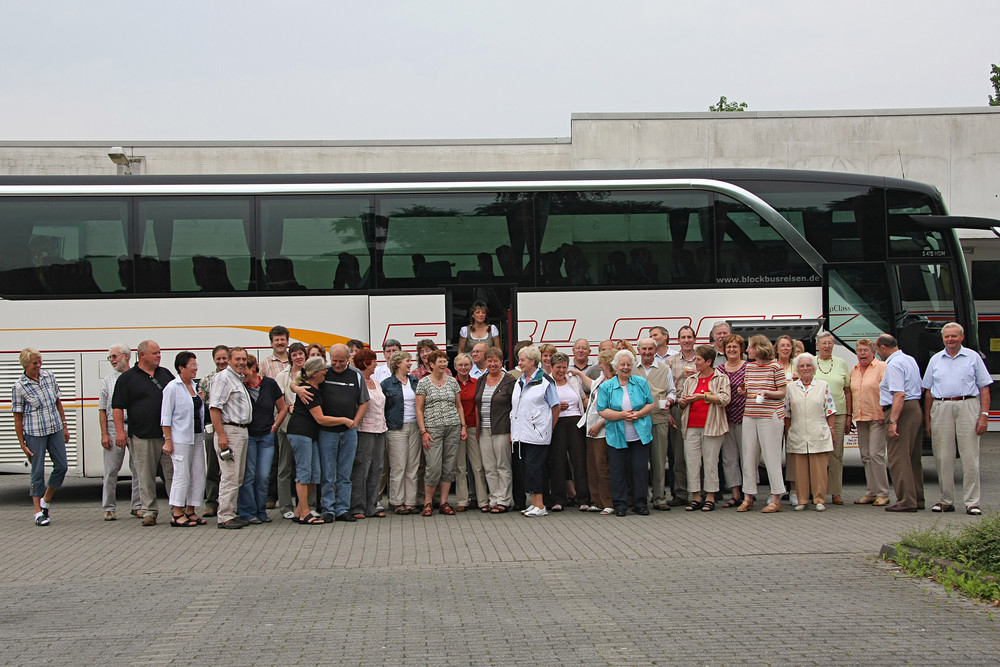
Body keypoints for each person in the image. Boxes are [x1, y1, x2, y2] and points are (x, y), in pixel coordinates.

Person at [921, 322, 992, 516]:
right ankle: (946, 501)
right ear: (943, 339)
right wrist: (928, 420)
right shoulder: (936, 359)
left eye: (954, 336)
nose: (950, 339)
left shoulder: (973, 357)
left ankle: (972, 502)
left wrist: (984, 416)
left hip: (967, 405)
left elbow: (984, 388)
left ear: (961, 337)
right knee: (943, 457)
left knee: (970, 457)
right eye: (947, 336)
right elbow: (927, 392)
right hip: (941, 406)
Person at [303, 343, 369, 522]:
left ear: (349, 359)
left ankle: (342, 508)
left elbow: (364, 402)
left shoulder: (356, 375)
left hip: (349, 432)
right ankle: (328, 508)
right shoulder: (324, 373)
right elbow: (302, 382)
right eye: (334, 361)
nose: (337, 364)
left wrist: (356, 421)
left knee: (345, 474)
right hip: (327, 432)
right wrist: (296, 389)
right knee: (328, 473)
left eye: (341, 361)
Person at [112, 340, 175, 526]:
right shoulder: (128, 378)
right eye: (155, 352)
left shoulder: (165, 374)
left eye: (159, 352)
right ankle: (149, 511)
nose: (158, 355)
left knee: (172, 473)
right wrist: (119, 432)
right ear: (142, 355)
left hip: (167, 435)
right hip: (142, 435)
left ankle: (177, 509)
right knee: (145, 475)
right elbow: (117, 407)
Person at [12, 348, 70, 526]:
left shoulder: (49, 376)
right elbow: (18, 417)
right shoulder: (20, 387)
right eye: (35, 363)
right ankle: (38, 512)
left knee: (61, 466)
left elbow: (57, 402)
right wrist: (22, 443)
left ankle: (46, 500)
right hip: (34, 433)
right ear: (26, 365)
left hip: (54, 429)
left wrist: (64, 425)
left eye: (40, 362)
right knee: (37, 471)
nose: (39, 366)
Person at [598, 349, 654, 517]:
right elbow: (602, 409)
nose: (625, 367)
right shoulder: (606, 386)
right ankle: (621, 504)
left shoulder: (641, 382)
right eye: (622, 364)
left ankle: (640, 504)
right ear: (616, 366)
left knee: (640, 470)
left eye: (628, 364)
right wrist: (621, 415)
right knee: (618, 471)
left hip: (639, 434)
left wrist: (639, 413)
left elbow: (650, 404)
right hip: (617, 434)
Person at [678, 345, 731, 512]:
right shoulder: (691, 380)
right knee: (692, 462)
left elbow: (725, 398)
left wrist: (703, 396)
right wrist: (684, 401)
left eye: (699, 360)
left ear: (709, 361)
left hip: (712, 426)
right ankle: (694, 496)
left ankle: (710, 496)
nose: (696, 362)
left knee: (710, 462)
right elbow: (681, 402)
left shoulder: (721, 378)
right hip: (691, 425)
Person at [738, 335, 787, 513]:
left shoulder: (776, 367)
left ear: (759, 348)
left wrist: (768, 392)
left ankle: (776, 497)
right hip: (750, 414)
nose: (747, 350)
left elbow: (782, 392)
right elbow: (749, 390)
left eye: (750, 347)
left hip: (770, 416)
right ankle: (748, 496)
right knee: (749, 455)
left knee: (771, 457)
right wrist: (743, 392)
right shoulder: (749, 367)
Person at [876, 334, 924, 513]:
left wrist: (893, 421)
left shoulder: (894, 364)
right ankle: (917, 498)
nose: (878, 354)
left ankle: (905, 500)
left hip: (901, 410)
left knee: (898, 457)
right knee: (913, 457)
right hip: (914, 408)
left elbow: (899, 394)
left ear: (882, 348)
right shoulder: (909, 359)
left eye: (878, 350)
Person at [511, 345, 560, 517]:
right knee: (527, 469)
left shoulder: (545, 381)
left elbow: (556, 407)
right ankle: (534, 503)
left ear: (532, 361)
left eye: (522, 360)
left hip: (538, 435)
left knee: (535, 468)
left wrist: (548, 428)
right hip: (522, 434)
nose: (520, 363)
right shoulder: (520, 381)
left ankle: (540, 505)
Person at [415, 350, 466, 516]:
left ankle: (444, 502)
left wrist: (463, 426)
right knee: (434, 466)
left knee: (449, 466)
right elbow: (419, 408)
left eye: (445, 361)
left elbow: (458, 406)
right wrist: (423, 431)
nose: (443, 364)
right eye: (440, 362)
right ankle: (428, 503)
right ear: (431, 364)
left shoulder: (452, 382)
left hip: (453, 426)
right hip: (432, 429)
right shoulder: (423, 383)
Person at [238, 354, 287, 524]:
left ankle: (261, 510)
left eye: (244, 369)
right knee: (249, 475)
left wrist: (275, 426)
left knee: (263, 475)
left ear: (253, 368)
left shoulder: (269, 384)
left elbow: (282, 408)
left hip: (266, 436)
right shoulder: (240, 387)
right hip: (248, 436)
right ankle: (247, 511)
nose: (241, 373)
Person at [160, 351, 207, 527]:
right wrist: (168, 440)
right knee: (181, 475)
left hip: (195, 436)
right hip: (180, 438)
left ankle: (190, 509)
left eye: (196, 365)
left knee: (197, 473)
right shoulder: (172, 388)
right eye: (192, 365)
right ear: (181, 368)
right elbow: (165, 416)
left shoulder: (194, 386)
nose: (195, 368)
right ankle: (177, 512)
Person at [784, 353, 836, 511]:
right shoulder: (791, 387)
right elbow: (787, 413)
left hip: (818, 432)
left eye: (808, 365)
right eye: (802, 366)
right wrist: (788, 433)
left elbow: (831, 410)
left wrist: (831, 429)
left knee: (819, 469)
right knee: (799, 470)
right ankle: (802, 499)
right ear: (797, 369)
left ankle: (819, 499)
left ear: (814, 368)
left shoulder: (823, 385)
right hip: (798, 432)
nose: (805, 368)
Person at [209, 346, 253, 529]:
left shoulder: (237, 379)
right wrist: (221, 435)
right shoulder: (224, 378)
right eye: (238, 359)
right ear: (229, 360)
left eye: (244, 359)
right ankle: (224, 516)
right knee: (229, 476)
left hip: (240, 431)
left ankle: (231, 512)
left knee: (238, 477)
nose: (242, 362)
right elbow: (215, 408)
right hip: (230, 431)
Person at [633, 337, 677, 511]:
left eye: (650, 348)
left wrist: (669, 400)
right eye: (644, 348)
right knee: (640, 462)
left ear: (655, 350)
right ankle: (642, 496)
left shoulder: (664, 368)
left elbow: (672, 391)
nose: (647, 352)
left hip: (659, 418)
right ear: (638, 350)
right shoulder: (632, 369)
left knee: (659, 460)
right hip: (637, 420)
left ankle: (659, 497)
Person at [99, 343, 141, 521]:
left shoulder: (137, 377)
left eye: (115, 356)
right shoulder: (108, 381)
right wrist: (104, 434)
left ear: (127, 356)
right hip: (112, 425)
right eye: (110, 357)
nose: (112, 360)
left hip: (134, 425)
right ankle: (109, 508)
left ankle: (137, 506)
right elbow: (102, 409)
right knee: (111, 470)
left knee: (138, 468)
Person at [284, 357, 327, 525]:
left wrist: (295, 387)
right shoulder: (307, 389)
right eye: (323, 369)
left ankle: (298, 510)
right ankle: (305, 512)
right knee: (304, 473)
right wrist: (345, 420)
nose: (326, 371)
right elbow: (321, 418)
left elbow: (294, 383)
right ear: (315, 373)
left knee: (314, 473)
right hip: (301, 432)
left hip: (311, 434)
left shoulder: (312, 386)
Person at [475, 346, 516, 513]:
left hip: (502, 429)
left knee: (503, 465)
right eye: (489, 361)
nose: (492, 364)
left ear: (501, 362)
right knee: (489, 466)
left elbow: (515, 407)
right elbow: (477, 405)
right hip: (484, 429)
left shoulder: (509, 381)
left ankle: (504, 500)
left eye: (495, 361)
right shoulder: (481, 380)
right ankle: (494, 498)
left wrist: (513, 431)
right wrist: (478, 429)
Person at [850, 338, 890, 507]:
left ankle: (883, 493)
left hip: (877, 416)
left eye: (866, 350)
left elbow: (888, 391)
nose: (862, 354)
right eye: (859, 350)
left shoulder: (882, 367)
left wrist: (883, 412)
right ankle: (871, 492)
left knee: (876, 455)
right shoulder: (855, 369)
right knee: (866, 456)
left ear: (873, 352)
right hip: (860, 418)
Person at [813, 331, 852, 505]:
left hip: (839, 413)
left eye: (830, 343)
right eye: (824, 343)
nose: (827, 346)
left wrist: (849, 415)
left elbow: (847, 390)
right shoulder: (810, 362)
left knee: (836, 454)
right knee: (817, 454)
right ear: (817, 345)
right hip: (815, 414)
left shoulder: (841, 363)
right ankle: (817, 491)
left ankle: (835, 492)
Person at [382, 350, 421, 514]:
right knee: (398, 465)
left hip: (414, 426)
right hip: (396, 428)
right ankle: (397, 502)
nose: (410, 363)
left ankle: (410, 501)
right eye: (407, 360)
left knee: (413, 465)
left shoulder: (415, 381)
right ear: (398, 364)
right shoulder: (386, 384)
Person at [350, 349, 387, 519]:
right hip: (365, 430)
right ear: (365, 363)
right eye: (373, 361)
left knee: (377, 467)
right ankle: (357, 506)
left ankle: (372, 505)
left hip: (380, 429)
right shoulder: (358, 383)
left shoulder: (375, 382)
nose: (376, 364)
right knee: (362, 468)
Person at [550, 352, 588, 511]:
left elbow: (583, 398)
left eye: (564, 367)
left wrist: (592, 408)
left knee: (579, 460)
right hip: (557, 423)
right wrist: (557, 405)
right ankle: (559, 499)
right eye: (558, 367)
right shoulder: (546, 382)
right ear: (551, 367)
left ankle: (584, 499)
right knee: (557, 461)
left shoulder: (573, 380)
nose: (561, 371)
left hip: (576, 422)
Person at [579, 349, 616, 514]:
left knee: (602, 466)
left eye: (602, 362)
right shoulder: (601, 379)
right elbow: (591, 384)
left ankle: (608, 502)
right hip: (591, 427)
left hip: (603, 429)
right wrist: (577, 374)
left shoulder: (615, 382)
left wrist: (599, 425)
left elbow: (615, 408)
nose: (600, 365)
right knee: (592, 465)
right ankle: (596, 500)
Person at [274, 342, 307, 519]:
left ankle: (307, 505)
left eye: (300, 353)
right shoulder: (282, 376)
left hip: (307, 428)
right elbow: (278, 401)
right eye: (294, 354)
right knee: (284, 468)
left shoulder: (310, 374)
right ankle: (286, 506)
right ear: (290, 357)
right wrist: (287, 407)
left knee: (306, 468)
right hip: (286, 427)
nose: (298, 357)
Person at [665, 326, 698, 506]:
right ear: (678, 340)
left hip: (698, 407)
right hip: (678, 408)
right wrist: (668, 411)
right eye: (683, 337)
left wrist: (698, 374)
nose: (686, 340)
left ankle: (700, 492)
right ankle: (680, 493)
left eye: (689, 337)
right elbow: (666, 388)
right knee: (678, 453)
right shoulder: (671, 361)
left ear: (694, 339)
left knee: (698, 451)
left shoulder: (701, 359)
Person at [261, 325, 290, 511]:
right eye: (276, 339)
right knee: (274, 460)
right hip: (273, 418)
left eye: (283, 339)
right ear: (271, 343)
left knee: (290, 461)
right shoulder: (264, 364)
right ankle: (271, 496)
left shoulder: (295, 360)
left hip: (294, 419)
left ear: (288, 341)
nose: (280, 342)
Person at [454, 352, 488, 511]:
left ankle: (483, 501)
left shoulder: (478, 382)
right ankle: (462, 501)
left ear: (471, 366)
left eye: (466, 365)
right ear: (455, 367)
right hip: (457, 428)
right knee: (460, 467)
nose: (463, 368)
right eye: (460, 365)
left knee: (477, 466)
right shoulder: (451, 384)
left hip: (474, 427)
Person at [198, 345, 229, 517]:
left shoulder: (236, 378)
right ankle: (211, 502)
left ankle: (231, 502)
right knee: (212, 466)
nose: (222, 361)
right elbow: (202, 406)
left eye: (225, 358)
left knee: (231, 467)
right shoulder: (206, 381)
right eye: (219, 358)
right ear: (214, 360)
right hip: (212, 427)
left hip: (232, 427)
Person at [718, 334, 747, 508]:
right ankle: (735, 493)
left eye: (735, 347)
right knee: (729, 459)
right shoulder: (720, 370)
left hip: (746, 418)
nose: (732, 350)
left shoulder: (749, 368)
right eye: (729, 347)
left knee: (747, 457)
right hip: (725, 419)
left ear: (741, 349)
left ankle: (748, 494)